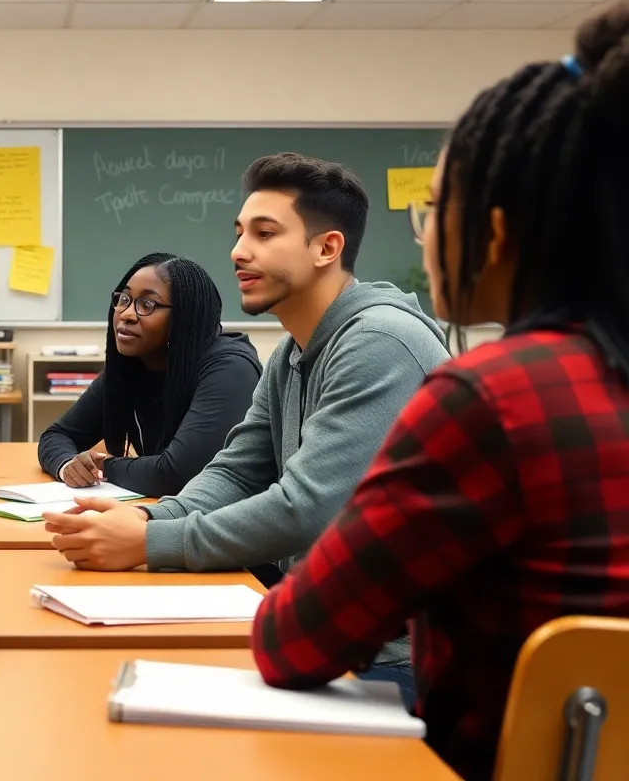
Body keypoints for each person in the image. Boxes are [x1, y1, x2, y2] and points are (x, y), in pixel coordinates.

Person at [252, 2, 629, 781]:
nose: (423, 235)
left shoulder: (493, 398)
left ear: (491, 234)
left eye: (431, 209)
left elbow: (297, 640)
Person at [44, 152, 451, 702]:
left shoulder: (379, 344)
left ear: (326, 247)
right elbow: (235, 473)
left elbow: (305, 508)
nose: (238, 251)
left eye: (265, 233)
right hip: (317, 627)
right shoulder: (292, 351)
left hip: (390, 658)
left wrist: (149, 539)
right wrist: (140, 516)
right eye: (239, 233)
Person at [37, 253, 261, 498]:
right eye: (124, 299)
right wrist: (68, 466)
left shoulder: (230, 369)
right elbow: (58, 435)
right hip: (169, 512)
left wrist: (102, 467)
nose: (127, 314)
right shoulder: (132, 366)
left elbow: (177, 475)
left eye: (147, 305)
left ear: (184, 318)